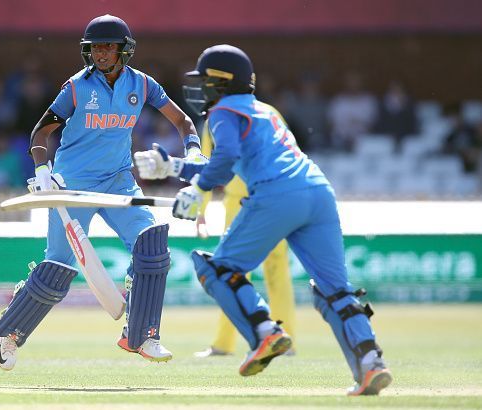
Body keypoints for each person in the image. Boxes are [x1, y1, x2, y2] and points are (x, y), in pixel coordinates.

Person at [134, 44, 392, 396]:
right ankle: (370, 363)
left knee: (217, 269)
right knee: (334, 290)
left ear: (223, 82)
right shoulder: (261, 110)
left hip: (276, 194)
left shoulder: (222, 111)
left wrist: (198, 189)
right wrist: (174, 166)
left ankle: (264, 331)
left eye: (206, 81)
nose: (201, 89)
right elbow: (231, 158)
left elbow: (225, 157)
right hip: (317, 191)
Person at [0, 14, 202, 370]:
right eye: (95, 48)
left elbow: (182, 121)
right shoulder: (76, 86)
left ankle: (142, 334)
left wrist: (193, 150)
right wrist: (43, 169)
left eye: (108, 47)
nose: (101, 54)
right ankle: (10, 332)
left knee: (151, 243)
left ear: (124, 50)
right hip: (72, 184)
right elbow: (41, 132)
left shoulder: (143, 84)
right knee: (58, 267)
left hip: (118, 180)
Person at [193, 121, 297, 358]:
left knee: (236, 273)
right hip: (266, 198)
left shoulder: (218, 119)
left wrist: (202, 210)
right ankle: (278, 341)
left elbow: (206, 167)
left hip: (255, 200)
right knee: (262, 273)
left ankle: (228, 344)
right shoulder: (265, 113)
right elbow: (291, 152)